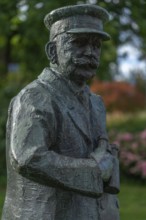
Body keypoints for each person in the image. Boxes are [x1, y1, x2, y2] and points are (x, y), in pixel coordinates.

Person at [2, 4, 120, 220]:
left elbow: (100, 153)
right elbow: (28, 158)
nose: (90, 52)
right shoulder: (34, 97)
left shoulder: (96, 102)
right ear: (52, 51)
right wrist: (94, 170)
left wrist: (109, 160)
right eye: (78, 43)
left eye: (96, 45)